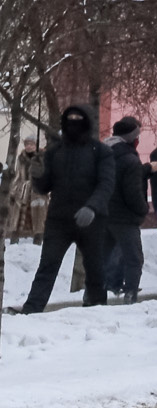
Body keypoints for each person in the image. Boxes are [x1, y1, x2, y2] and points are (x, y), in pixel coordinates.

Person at [15, 105, 113, 313]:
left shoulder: (100, 151)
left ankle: (97, 308)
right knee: (47, 265)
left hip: (92, 220)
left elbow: (106, 184)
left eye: (78, 118)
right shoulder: (55, 152)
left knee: (94, 267)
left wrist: (92, 207)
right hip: (59, 219)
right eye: (70, 118)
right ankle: (32, 309)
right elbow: (45, 186)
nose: (74, 122)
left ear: (86, 122)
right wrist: (38, 175)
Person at [100, 116, 149, 303]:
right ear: (131, 138)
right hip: (126, 219)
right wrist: (143, 209)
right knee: (134, 259)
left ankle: (96, 294)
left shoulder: (103, 154)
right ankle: (130, 295)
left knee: (104, 257)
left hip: (105, 215)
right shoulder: (130, 160)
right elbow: (132, 193)